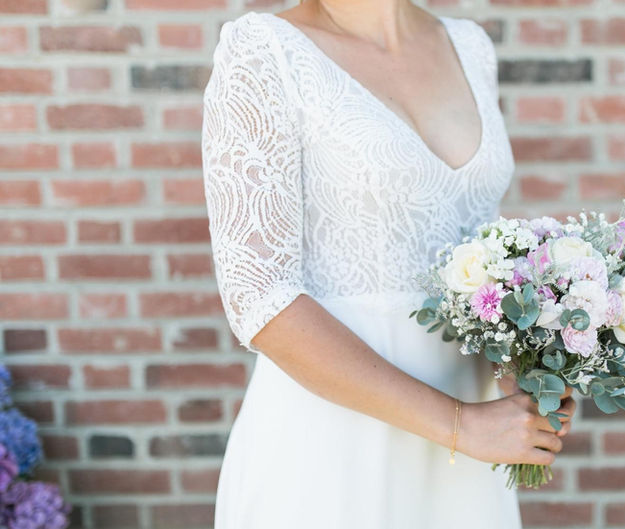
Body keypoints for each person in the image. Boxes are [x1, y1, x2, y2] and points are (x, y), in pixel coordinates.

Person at [200, 1, 577, 527]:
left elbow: (479, 251)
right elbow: (259, 298)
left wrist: (517, 365)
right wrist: (458, 426)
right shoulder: (264, 51)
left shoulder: (469, 46)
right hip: (334, 442)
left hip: (468, 447)